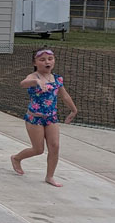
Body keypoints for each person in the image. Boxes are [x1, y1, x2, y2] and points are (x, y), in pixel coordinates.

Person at [10, 48, 78, 187]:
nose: (47, 62)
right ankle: (16, 158)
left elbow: (64, 96)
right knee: (38, 149)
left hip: (51, 118)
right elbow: (23, 83)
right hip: (35, 119)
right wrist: (36, 82)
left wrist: (73, 110)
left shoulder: (57, 79)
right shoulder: (33, 76)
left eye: (50, 59)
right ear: (35, 63)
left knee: (55, 146)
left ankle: (50, 176)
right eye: (42, 60)